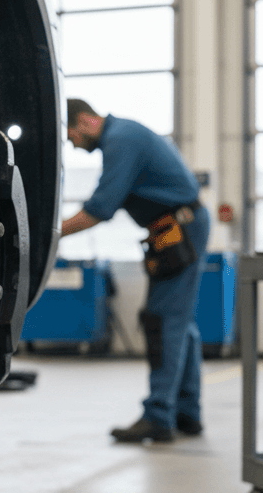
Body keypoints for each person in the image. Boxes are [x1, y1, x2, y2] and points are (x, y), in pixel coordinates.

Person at [61, 99, 210, 443]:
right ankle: (187, 412)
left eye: (71, 135)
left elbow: (100, 208)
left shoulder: (121, 140)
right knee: (179, 322)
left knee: (163, 320)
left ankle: (159, 415)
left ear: (84, 121)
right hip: (178, 226)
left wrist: (51, 235)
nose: (72, 145)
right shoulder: (126, 134)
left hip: (179, 229)